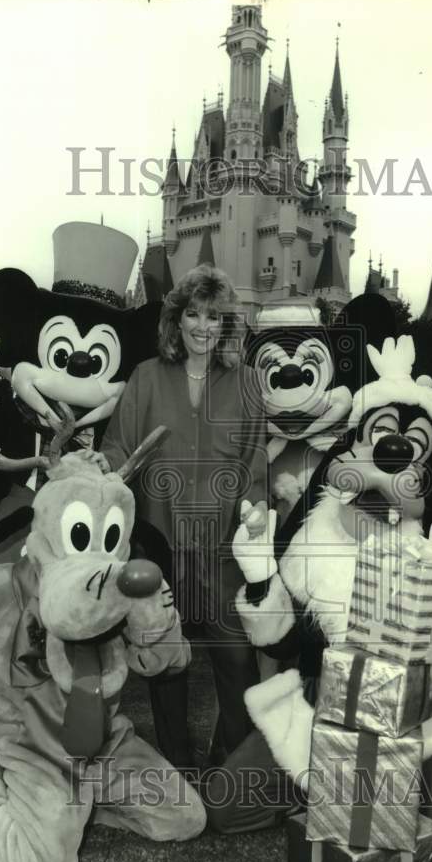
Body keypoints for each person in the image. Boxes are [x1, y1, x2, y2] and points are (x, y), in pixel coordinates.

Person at [100, 264, 268, 769]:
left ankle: (233, 762)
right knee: (166, 657)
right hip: (159, 542)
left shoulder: (248, 383)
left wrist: (257, 508)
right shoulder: (146, 379)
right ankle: (176, 763)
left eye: (214, 317)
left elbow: (254, 461)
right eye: (193, 314)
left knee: (235, 657)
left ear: (227, 325)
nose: (202, 326)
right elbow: (116, 451)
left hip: (223, 544)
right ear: (176, 321)